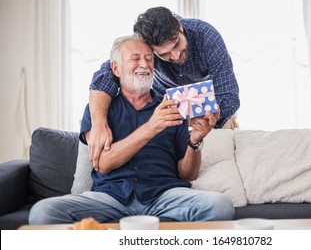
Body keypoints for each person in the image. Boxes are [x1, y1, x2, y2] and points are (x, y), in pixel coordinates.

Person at [28, 34, 234, 224]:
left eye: (149, 59)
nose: (144, 64)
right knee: (42, 212)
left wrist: (195, 141)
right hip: (109, 198)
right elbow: (103, 164)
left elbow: (188, 174)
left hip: (163, 195)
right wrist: (151, 127)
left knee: (220, 205)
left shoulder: (173, 106)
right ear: (116, 68)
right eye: (135, 58)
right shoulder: (99, 110)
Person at [88, 6, 240, 170]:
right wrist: (98, 124)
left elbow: (229, 97)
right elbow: (105, 77)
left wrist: (211, 117)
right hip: (164, 114)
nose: (175, 56)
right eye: (164, 54)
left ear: (179, 26)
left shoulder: (207, 37)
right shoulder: (144, 46)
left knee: (220, 166)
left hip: (212, 113)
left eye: (176, 44)